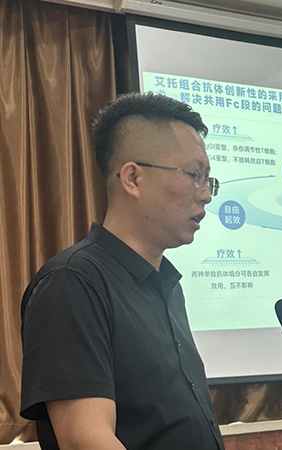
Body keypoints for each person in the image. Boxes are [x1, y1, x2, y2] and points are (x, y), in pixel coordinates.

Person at [20, 92, 225, 450]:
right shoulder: (72, 283)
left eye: (209, 179)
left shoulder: (167, 286)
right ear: (133, 178)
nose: (205, 194)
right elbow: (86, 439)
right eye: (194, 175)